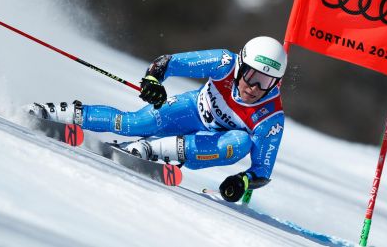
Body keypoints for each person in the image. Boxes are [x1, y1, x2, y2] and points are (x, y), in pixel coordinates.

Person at [29, 36, 287, 202]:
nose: (255, 87)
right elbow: (167, 63)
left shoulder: (270, 117)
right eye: (252, 75)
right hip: (188, 111)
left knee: (240, 142)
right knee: (133, 124)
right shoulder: (223, 62)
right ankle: (55, 113)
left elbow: (262, 172)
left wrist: (242, 181)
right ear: (240, 65)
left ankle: (149, 150)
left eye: (266, 82)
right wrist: (153, 81)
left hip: (201, 150)